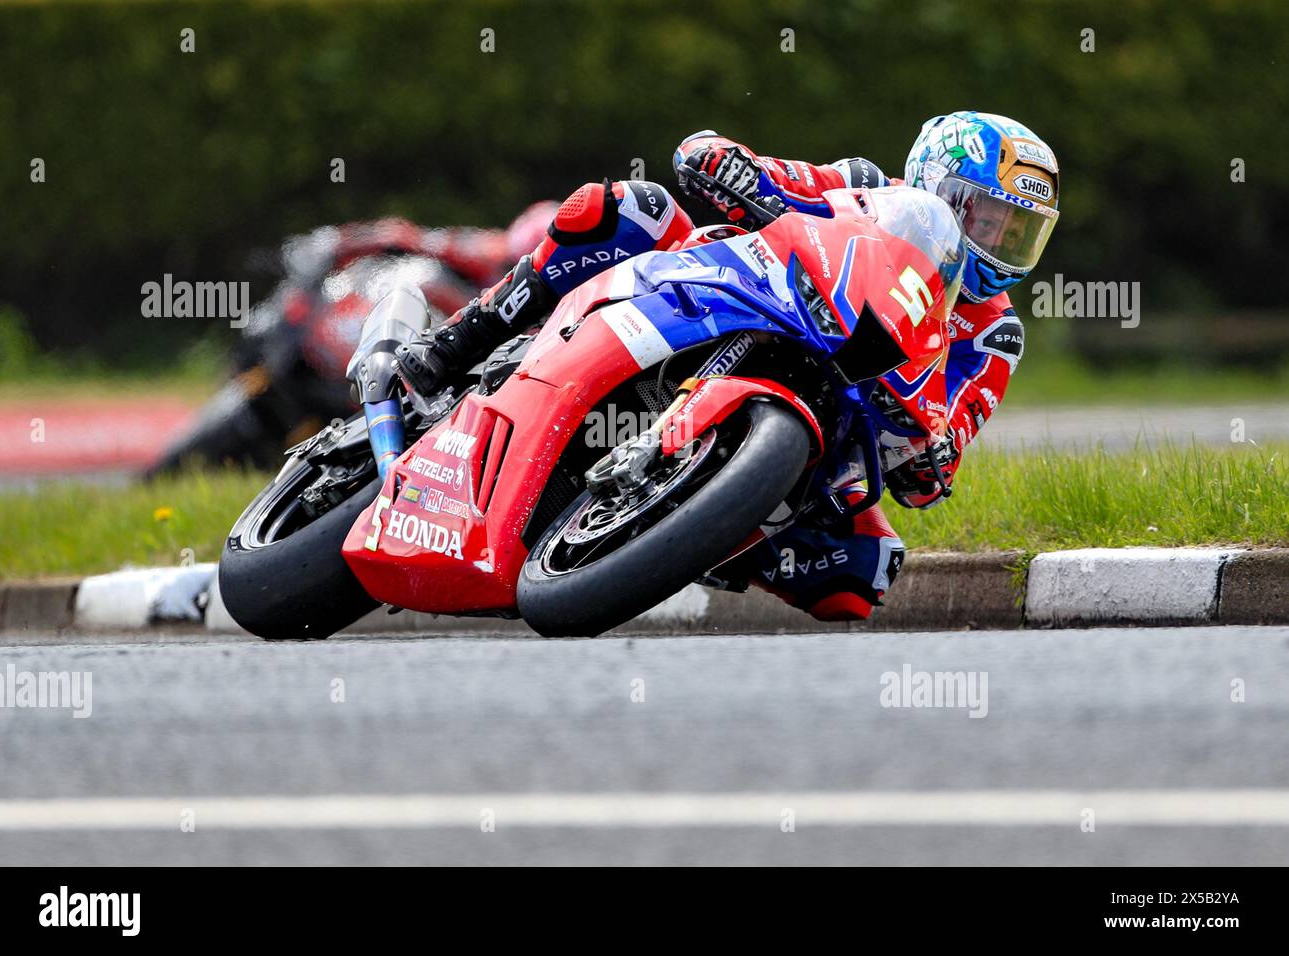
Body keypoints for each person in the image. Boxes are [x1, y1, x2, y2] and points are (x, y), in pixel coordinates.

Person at [394, 112, 1060, 620]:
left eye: (1019, 232)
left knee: (858, 578)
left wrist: (933, 456)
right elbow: (725, 161)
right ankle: (458, 342)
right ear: (933, 184)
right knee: (628, 209)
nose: (1000, 245)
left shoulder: (994, 331)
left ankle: (697, 535)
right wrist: (737, 173)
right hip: (730, 297)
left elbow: (950, 427)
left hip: (841, 413)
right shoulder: (862, 188)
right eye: (991, 219)